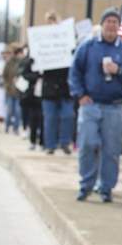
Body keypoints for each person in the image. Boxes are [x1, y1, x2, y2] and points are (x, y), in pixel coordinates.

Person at [68, 8, 122, 203]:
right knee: (87, 145)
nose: (111, 25)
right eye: (108, 21)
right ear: (102, 24)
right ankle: (86, 184)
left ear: (119, 26)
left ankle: (106, 187)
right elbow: (75, 71)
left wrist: (119, 70)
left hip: (114, 106)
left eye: (114, 22)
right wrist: (80, 95)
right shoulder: (88, 46)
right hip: (90, 105)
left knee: (111, 150)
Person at [39, 11, 76, 155]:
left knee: (67, 116)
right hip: (49, 87)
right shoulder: (41, 43)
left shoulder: (67, 42)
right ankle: (50, 145)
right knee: (50, 118)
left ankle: (65, 142)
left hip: (65, 87)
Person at [1, 44, 24, 134]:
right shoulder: (9, 63)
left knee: (18, 111)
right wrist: (7, 85)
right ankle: (7, 126)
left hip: (19, 90)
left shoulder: (22, 63)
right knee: (10, 110)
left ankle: (16, 128)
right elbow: (5, 75)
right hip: (10, 90)